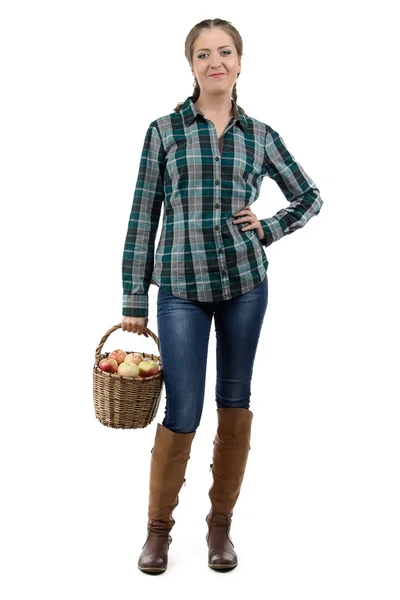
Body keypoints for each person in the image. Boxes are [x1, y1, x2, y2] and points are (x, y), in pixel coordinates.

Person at [121, 18, 323, 575]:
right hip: (181, 290)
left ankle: (219, 528)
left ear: (239, 62)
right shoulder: (164, 131)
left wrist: (270, 227)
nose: (216, 62)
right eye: (204, 53)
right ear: (191, 65)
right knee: (182, 410)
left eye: (225, 52)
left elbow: (308, 196)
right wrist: (134, 297)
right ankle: (158, 530)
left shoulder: (260, 136)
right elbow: (143, 216)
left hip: (244, 287)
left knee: (234, 404)